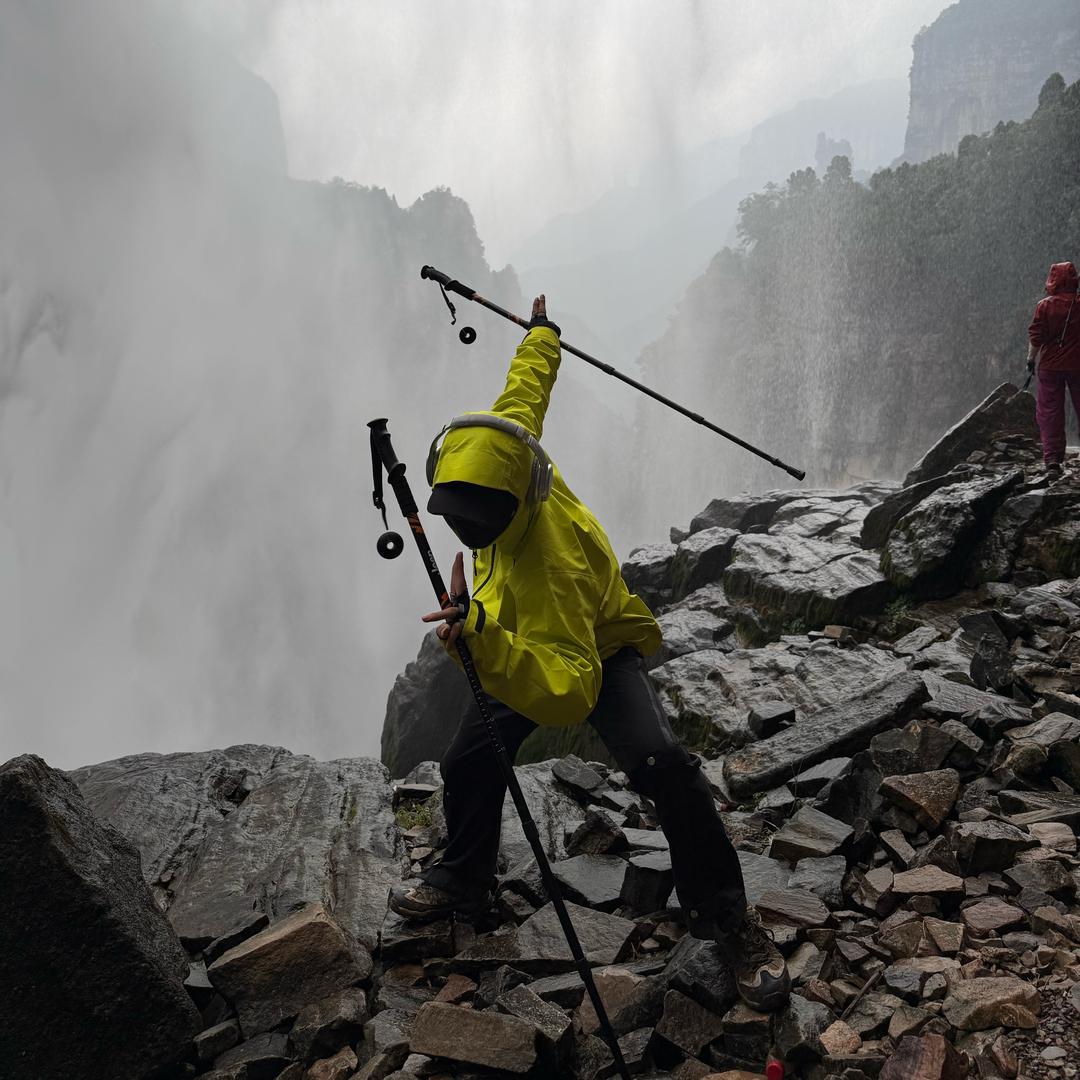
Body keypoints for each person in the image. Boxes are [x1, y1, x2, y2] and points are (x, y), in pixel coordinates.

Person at [388, 294, 791, 1012]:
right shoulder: (508, 454)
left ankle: (730, 918)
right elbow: (524, 393)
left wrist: (477, 637)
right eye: (457, 523)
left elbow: (571, 689)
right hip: (516, 640)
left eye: (476, 528)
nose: (467, 538)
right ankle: (463, 881)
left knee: (665, 768)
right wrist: (542, 334)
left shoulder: (555, 566)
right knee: (467, 760)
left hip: (588, 651)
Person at [1028, 261, 1080, 475]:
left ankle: (1052, 459)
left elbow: (1036, 337)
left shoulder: (1044, 305)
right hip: (1078, 365)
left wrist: (1031, 360)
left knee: (1050, 412)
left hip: (1050, 366)